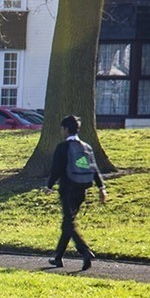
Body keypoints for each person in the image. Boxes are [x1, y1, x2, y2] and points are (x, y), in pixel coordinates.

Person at [45, 114, 107, 271]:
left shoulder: (63, 147)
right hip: (81, 190)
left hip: (67, 189)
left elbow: (56, 169)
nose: (61, 132)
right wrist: (101, 188)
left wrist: (49, 186)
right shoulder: (85, 147)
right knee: (68, 222)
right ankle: (58, 257)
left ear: (65, 129)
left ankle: (85, 251)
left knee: (68, 223)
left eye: (62, 129)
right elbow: (93, 168)